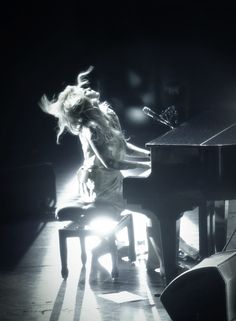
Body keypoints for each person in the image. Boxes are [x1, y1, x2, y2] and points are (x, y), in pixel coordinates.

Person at [39, 66, 162, 278]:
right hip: (101, 186)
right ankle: (160, 264)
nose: (89, 88)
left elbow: (123, 146)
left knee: (156, 208)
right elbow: (110, 162)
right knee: (155, 210)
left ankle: (156, 261)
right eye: (83, 89)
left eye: (89, 87)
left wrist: (152, 155)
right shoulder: (89, 127)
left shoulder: (109, 113)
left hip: (114, 180)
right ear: (80, 101)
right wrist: (146, 165)